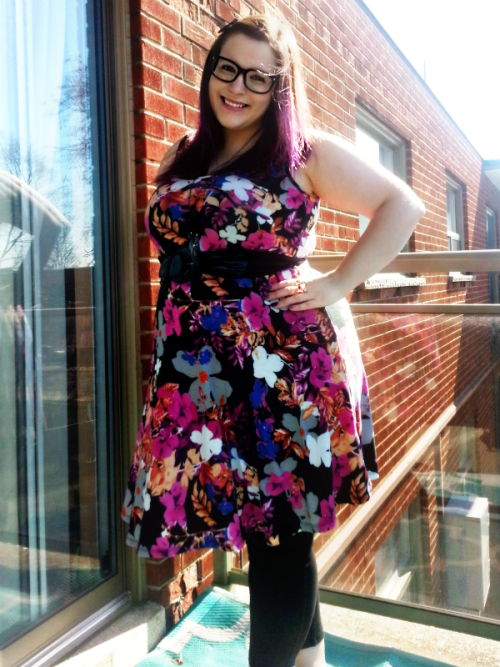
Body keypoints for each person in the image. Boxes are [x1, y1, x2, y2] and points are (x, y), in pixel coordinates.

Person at [122, 13, 425, 667]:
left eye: (260, 77)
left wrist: (339, 280)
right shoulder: (183, 153)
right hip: (197, 375)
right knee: (271, 531)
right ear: (211, 71)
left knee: (280, 535)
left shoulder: (302, 155)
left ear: (279, 89)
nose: (239, 87)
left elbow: (402, 205)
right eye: (229, 68)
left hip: (278, 372)